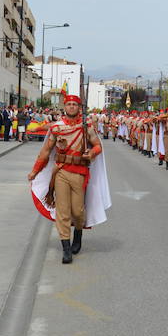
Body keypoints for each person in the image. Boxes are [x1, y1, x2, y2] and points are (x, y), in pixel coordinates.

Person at [28, 94, 110, 264]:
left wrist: (92, 153)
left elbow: (97, 146)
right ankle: (66, 248)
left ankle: (78, 235)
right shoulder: (57, 127)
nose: (72, 107)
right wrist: (35, 171)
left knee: (78, 211)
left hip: (80, 172)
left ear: (79, 107)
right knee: (63, 211)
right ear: (64, 107)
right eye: (69, 104)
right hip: (61, 172)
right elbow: (45, 152)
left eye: (75, 104)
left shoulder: (86, 126)